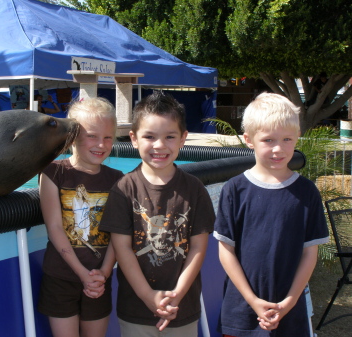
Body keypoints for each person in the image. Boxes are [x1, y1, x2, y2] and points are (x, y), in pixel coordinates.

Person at [213, 92, 330, 337]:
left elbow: (310, 253)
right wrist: (253, 300)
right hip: (241, 311)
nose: (278, 149)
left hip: (291, 311)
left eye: (287, 139)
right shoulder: (234, 190)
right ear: (249, 139)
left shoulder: (307, 193)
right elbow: (226, 251)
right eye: (268, 140)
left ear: (298, 136)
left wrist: (289, 301)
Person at [100, 91, 215, 337]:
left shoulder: (194, 190)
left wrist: (176, 296)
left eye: (170, 137)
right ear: (133, 138)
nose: (160, 145)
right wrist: (148, 296)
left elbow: (198, 249)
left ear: (183, 138)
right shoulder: (124, 189)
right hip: (136, 309)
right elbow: (123, 249)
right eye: (149, 137)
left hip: (183, 307)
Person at [37, 97, 124, 337]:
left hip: (99, 280)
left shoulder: (117, 179)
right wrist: (81, 273)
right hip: (61, 277)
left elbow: (118, 232)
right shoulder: (53, 173)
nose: (101, 144)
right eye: (92, 136)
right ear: (73, 136)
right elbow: (54, 227)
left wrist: (104, 273)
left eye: (108, 137)